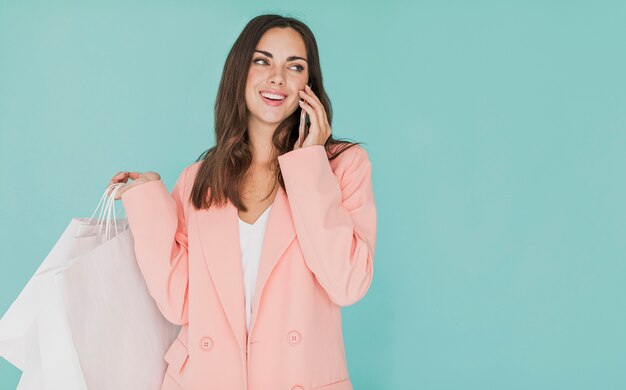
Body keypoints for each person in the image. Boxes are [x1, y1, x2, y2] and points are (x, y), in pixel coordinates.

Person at [108, 14, 376, 390]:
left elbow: (347, 283)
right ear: (240, 71)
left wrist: (309, 164)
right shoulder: (198, 180)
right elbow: (179, 303)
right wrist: (150, 201)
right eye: (262, 60)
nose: (277, 78)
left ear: (309, 85)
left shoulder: (341, 166)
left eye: (294, 67)